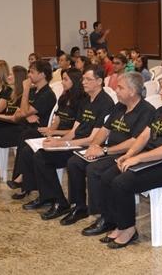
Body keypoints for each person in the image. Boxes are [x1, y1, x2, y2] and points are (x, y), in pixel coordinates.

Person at [97, 73, 162, 248]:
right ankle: (119, 224)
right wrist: (129, 154)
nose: (160, 93)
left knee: (122, 182)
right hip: (152, 160)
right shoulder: (161, 111)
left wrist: (138, 158)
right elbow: (144, 137)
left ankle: (129, 229)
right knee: (108, 176)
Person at [21, 65, 115, 220]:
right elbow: (74, 131)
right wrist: (55, 140)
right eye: (83, 78)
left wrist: (62, 145)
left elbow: (93, 139)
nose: (83, 82)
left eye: (88, 79)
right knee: (37, 153)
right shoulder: (85, 101)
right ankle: (53, 198)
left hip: (86, 146)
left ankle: (74, 205)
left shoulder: (105, 103)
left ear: (99, 81)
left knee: (56, 160)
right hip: (75, 142)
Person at [73, 73, 155, 235]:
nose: (116, 91)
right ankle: (80, 206)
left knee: (95, 170)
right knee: (75, 163)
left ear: (132, 91)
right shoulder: (119, 106)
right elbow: (105, 130)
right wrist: (94, 146)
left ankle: (106, 217)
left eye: (120, 87)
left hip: (126, 153)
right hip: (108, 150)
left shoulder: (146, 111)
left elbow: (135, 141)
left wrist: (103, 150)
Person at [0, 60, 57, 194]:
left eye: (32, 72)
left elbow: (22, 113)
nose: (28, 75)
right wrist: (24, 113)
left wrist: (25, 95)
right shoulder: (33, 92)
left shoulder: (47, 94)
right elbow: (20, 114)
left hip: (30, 131)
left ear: (42, 75)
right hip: (21, 127)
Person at [7, 68, 84, 196]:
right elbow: (58, 119)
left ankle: (23, 179)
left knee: (29, 137)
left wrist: (54, 133)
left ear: (75, 81)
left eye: (65, 79)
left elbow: (75, 130)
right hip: (57, 132)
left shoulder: (81, 101)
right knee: (27, 138)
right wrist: (50, 130)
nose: (62, 82)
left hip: (68, 136)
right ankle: (26, 183)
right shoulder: (64, 97)